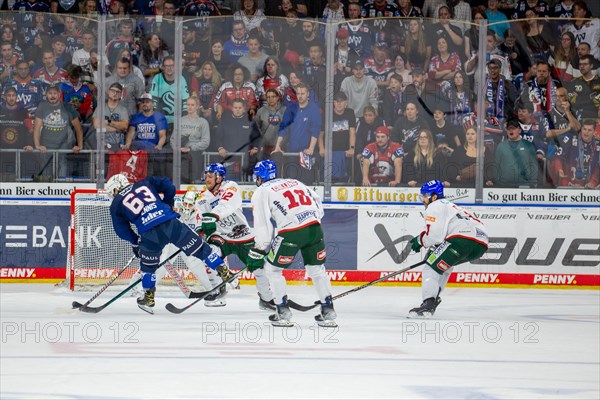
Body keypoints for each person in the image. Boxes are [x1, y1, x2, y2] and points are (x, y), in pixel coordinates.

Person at [105, 173, 233, 313]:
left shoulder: (116, 203)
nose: (114, 195)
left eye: (113, 192)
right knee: (200, 249)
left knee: (149, 268)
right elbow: (169, 186)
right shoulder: (145, 182)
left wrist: (135, 242)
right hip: (171, 223)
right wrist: (167, 205)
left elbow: (121, 230)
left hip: (149, 234)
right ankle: (224, 271)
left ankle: (148, 297)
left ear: (116, 189)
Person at [250, 159, 337, 327]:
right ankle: (328, 310)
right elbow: (318, 203)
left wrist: (259, 248)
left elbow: (263, 224)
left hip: (292, 233)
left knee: (272, 269)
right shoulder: (295, 182)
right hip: (315, 228)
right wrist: (311, 220)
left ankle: (282, 311)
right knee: (317, 270)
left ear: (259, 177)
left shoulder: (262, 191)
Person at [196, 163, 275, 309]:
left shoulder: (231, 186)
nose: (207, 179)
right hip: (222, 238)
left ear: (219, 178)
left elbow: (227, 205)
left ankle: (266, 299)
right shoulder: (202, 198)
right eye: (206, 176)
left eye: (210, 176)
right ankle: (219, 286)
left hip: (243, 236)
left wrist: (212, 216)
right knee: (207, 253)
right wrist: (200, 228)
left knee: (259, 269)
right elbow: (200, 218)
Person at [408, 180, 489, 317]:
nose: (423, 199)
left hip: (462, 240)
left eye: (425, 196)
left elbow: (435, 236)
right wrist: (433, 250)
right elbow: (441, 237)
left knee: (430, 267)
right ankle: (433, 300)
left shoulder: (434, 206)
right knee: (444, 266)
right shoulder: (451, 206)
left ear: (434, 196)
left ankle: (428, 304)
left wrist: (419, 241)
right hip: (481, 243)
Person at [493, 119, 539, 188]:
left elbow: (534, 165)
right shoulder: (501, 146)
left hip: (523, 185)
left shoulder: (528, 145)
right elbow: (496, 166)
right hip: (504, 186)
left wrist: (532, 183)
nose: (511, 131)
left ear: (519, 130)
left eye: (513, 128)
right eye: (508, 129)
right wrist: (497, 182)